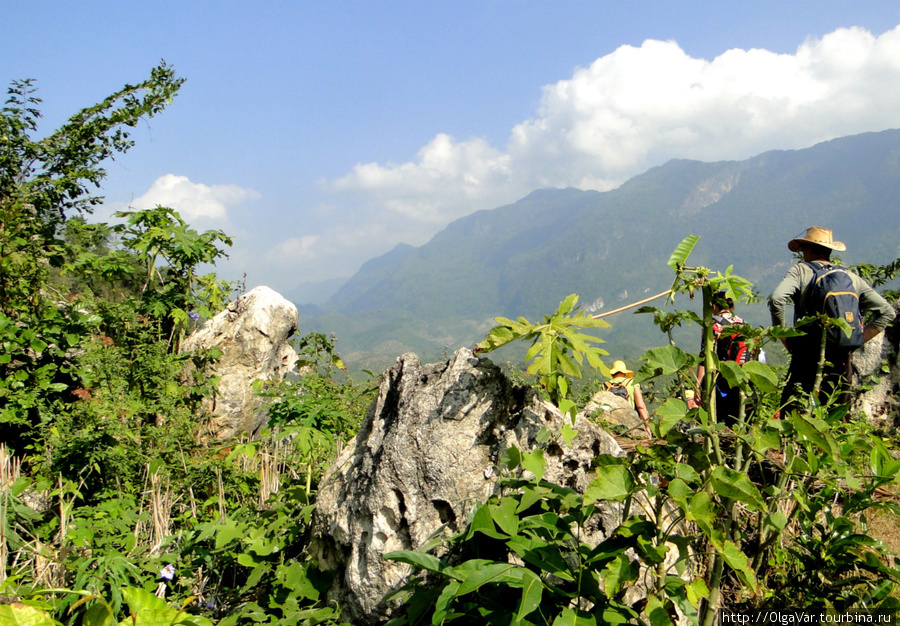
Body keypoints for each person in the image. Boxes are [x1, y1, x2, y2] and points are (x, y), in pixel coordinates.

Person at [768, 226, 895, 411]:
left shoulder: (801, 271)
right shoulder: (850, 277)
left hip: (806, 355)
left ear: (810, 249)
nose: (802, 252)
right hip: (842, 359)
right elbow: (887, 312)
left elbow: (776, 298)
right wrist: (857, 339)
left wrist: (783, 336)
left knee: (795, 411)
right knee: (834, 415)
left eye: (804, 247)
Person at [696, 291, 753, 427]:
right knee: (737, 423)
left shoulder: (713, 325)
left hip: (721, 381)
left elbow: (705, 356)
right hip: (743, 378)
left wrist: (698, 386)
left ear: (714, 306)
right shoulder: (743, 323)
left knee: (710, 421)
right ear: (731, 306)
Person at [606, 360, 652, 436]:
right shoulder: (632, 383)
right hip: (630, 422)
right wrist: (647, 426)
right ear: (624, 373)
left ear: (613, 373)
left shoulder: (606, 385)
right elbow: (640, 406)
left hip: (612, 425)